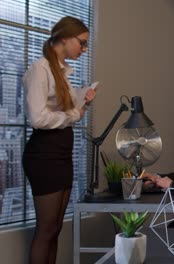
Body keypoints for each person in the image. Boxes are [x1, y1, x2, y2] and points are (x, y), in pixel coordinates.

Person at [22, 16, 96, 264]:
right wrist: (74, 114)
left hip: (61, 155)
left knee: (55, 229)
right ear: (64, 38)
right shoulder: (39, 69)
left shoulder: (61, 71)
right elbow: (38, 117)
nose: (84, 50)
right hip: (44, 156)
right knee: (46, 230)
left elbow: (61, 110)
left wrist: (81, 99)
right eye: (82, 43)